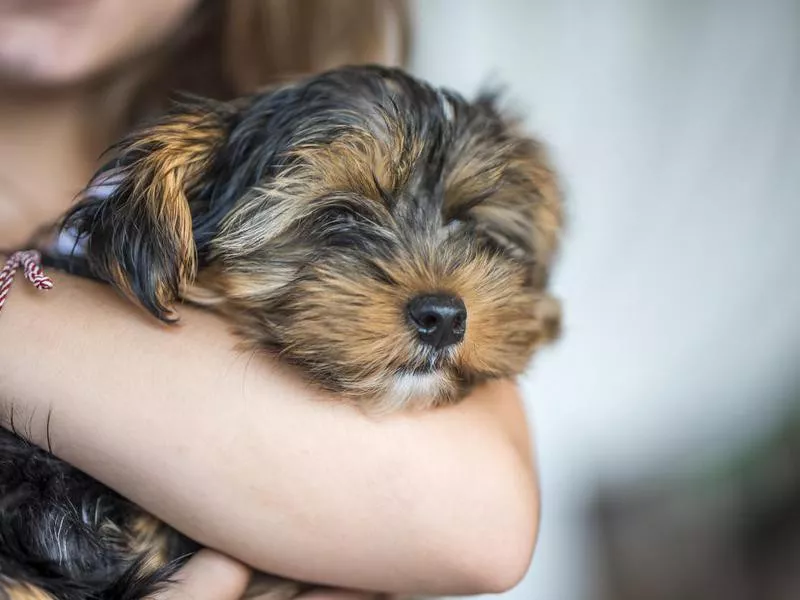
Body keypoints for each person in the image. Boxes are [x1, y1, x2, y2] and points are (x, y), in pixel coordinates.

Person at [0, 1, 540, 598]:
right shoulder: (187, 181)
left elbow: (480, 525)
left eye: (468, 231)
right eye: (335, 220)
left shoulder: (237, 147)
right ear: (169, 230)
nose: (439, 289)